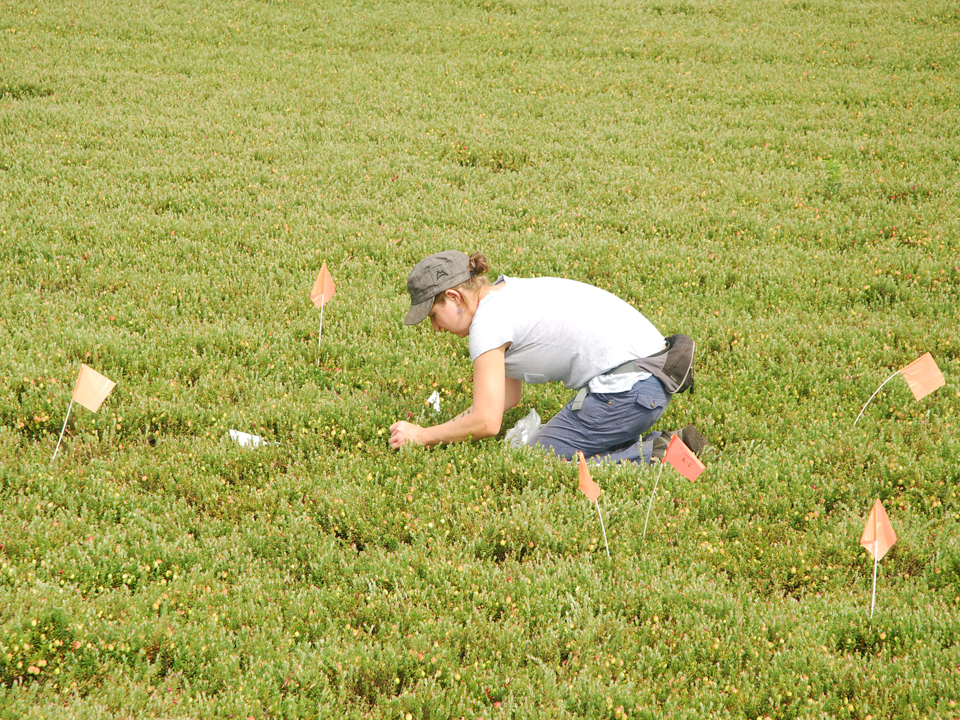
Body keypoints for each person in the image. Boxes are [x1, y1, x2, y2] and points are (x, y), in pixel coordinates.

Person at [388, 250, 707, 463]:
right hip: (651, 378)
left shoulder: (487, 323)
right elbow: (506, 399)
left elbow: (487, 422)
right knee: (554, 448)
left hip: (629, 390)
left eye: (433, 315)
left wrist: (423, 436)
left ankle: (659, 453)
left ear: (454, 297)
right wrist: (452, 425)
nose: (435, 328)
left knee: (539, 461)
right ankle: (663, 446)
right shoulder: (504, 296)